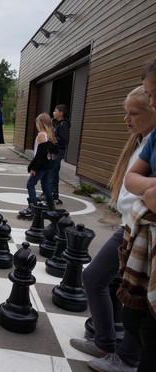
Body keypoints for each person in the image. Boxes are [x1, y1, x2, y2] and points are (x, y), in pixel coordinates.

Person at [69, 85, 153, 371]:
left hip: (143, 230)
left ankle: (125, 356)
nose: (126, 119)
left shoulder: (151, 143)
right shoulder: (141, 142)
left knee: (99, 280)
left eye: (134, 113)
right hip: (129, 225)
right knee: (121, 288)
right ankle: (108, 341)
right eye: (125, 112)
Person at [119, 58, 156, 371]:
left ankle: (122, 353)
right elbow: (132, 180)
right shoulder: (152, 139)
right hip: (139, 232)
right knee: (140, 321)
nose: (154, 103)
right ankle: (122, 349)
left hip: (141, 234)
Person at [19, 113, 57, 218]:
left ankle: (33, 208)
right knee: (46, 186)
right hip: (48, 165)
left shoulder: (41, 136)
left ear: (40, 123)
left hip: (41, 165)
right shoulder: (50, 135)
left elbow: (39, 154)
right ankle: (51, 207)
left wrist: (33, 168)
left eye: (37, 123)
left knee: (30, 184)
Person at [50, 104, 71, 204]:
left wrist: (53, 139)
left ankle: (53, 196)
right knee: (51, 171)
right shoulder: (58, 124)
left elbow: (63, 139)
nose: (53, 112)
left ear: (61, 113)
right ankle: (50, 193)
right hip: (55, 151)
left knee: (53, 172)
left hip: (58, 151)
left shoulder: (63, 125)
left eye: (55, 110)